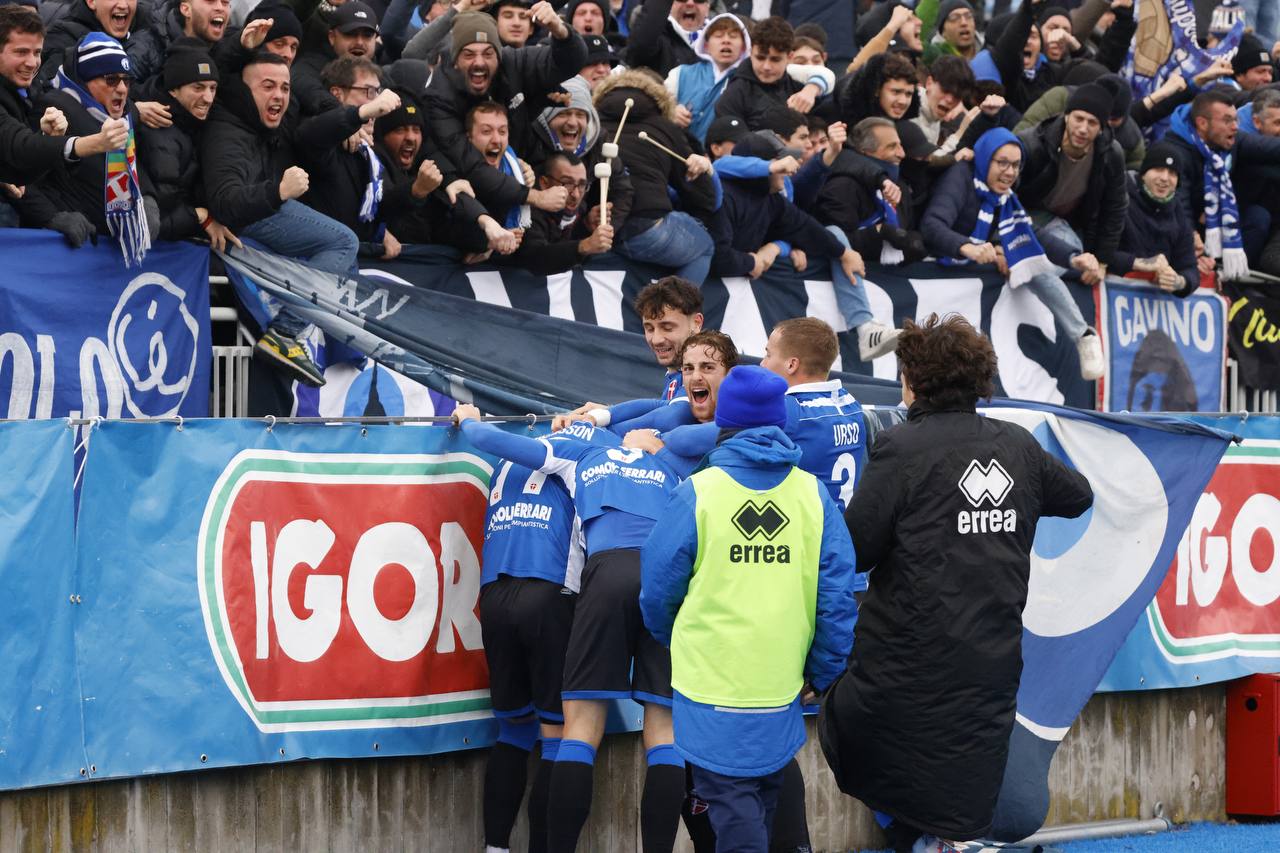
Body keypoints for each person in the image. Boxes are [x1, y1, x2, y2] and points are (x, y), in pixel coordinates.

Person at [819, 313, 1094, 853]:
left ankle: (935, 841)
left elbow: (856, 548)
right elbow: (1078, 495)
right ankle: (941, 840)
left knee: (849, 728)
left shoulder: (901, 447)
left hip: (905, 660)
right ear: (980, 380)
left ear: (912, 380)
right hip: (989, 660)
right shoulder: (1017, 446)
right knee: (950, 781)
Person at [639, 364, 857, 853]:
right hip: (781, 684)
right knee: (764, 796)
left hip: (709, 683)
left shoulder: (698, 491)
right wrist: (823, 671)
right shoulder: (812, 495)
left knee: (733, 808)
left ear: (726, 422)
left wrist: (679, 640)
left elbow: (656, 590)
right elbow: (836, 597)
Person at [451, 411, 686, 853]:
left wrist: (468, 420)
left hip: (503, 589)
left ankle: (498, 847)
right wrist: (614, 420)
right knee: (661, 731)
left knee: (541, 730)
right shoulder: (667, 460)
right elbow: (675, 412)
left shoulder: (571, 452)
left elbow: (495, 441)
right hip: (611, 582)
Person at [201, 51, 399, 385]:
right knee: (342, 242)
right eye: (268, 86)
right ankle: (286, 330)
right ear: (244, 90)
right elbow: (225, 201)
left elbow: (312, 123)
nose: (279, 95)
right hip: (250, 213)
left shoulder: (274, 117)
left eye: (284, 88)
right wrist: (278, 191)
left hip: (263, 206)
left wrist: (349, 119)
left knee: (343, 251)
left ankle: (328, 336)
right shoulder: (227, 131)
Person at [467, 425, 582, 853]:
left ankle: (495, 847)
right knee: (558, 736)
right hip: (547, 588)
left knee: (513, 731)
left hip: (495, 593)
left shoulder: (505, 457)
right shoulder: (582, 448)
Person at [921, 127, 1106, 381]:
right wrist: (967, 247)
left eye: (1016, 165)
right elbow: (931, 226)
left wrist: (1073, 258)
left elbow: (1031, 236)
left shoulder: (1006, 197)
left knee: (1029, 261)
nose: (1009, 172)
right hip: (936, 266)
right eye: (1002, 163)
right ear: (985, 159)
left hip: (972, 272)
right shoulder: (960, 176)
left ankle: (1084, 336)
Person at [710, 131, 900, 363]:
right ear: (762, 168)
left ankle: (865, 327)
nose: (789, 170)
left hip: (738, 295)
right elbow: (717, 257)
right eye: (780, 163)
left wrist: (842, 253)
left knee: (833, 234)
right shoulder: (724, 195)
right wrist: (751, 262)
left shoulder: (771, 199)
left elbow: (805, 227)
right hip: (709, 299)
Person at [422, 7, 586, 219]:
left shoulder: (512, 62)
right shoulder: (440, 97)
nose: (479, 62)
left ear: (498, 58)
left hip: (512, 180)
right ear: (455, 61)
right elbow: (472, 167)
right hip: (459, 200)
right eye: (469, 54)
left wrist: (559, 29)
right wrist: (535, 197)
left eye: (488, 54)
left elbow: (570, 63)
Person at [28, 32, 157, 264]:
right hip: (68, 251)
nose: (122, 88)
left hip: (111, 252)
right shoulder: (53, 108)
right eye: (111, 80)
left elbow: (132, 167)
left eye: (126, 80)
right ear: (86, 81)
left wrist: (147, 199)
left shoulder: (124, 116)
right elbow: (31, 174)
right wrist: (54, 217)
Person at [0, 5, 129, 227]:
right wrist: (94, 143)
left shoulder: (30, 91)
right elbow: (18, 146)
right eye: (21, 52)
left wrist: (46, 137)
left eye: (37, 53)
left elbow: (23, 169)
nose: (31, 63)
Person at [595, 68, 717, 285]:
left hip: (598, 228)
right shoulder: (665, 127)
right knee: (705, 246)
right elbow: (703, 196)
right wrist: (707, 169)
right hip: (647, 229)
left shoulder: (592, 122)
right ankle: (672, 304)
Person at [1015, 81, 1128, 284]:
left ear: (1101, 128)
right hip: (1025, 215)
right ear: (1066, 116)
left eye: (1092, 123)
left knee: (1079, 266)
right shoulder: (1033, 143)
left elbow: (1115, 208)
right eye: (1079, 119)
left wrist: (1102, 261)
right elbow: (1004, 194)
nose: (1083, 129)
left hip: (1070, 223)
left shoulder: (1111, 154)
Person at [137, 38, 238, 247]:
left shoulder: (190, 123)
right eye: (198, 87)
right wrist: (199, 216)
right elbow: (159, 221)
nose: (208, 98)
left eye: (212, 88)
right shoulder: (160, 134)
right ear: (173, 90)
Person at [817, 117, 926, 266]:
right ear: (866, 151)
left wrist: (912, 240)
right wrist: (878, 233)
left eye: (900, 145)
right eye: (892, 146)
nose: (902, 154)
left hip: (890, 275)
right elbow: (833, 241)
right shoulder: (843, 187)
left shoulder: (898, 185)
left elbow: (907, 228)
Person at [1112, 142, 1199, 297]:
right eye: (1158, 169)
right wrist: (1139, 264)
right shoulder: (1119, 195)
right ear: (1144, 173)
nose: (1165, 178)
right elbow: (1098, 251)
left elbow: (1190, 267)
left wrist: (1179, 281)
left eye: (1172, 173)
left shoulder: (1177, 212)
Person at [714, 16, 829, 130]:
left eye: (775, 59)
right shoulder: (734, 95)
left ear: (789, 57)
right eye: (760, 58)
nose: (766, 67)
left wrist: (812, 89)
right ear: (751, 53)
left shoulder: (798, 82)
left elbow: (828, 76)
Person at [662, 12, 750, 144]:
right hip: (678, 151)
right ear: (706, 45)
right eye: (718, 36)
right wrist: (670, 112)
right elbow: (656, 110)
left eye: (733, 36)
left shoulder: (749, 83)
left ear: (744, 46)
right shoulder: (680, 74)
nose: (726, 41)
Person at [38, 0, 164, 85]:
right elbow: (56, 91)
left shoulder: (153, 28)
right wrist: (133, 108)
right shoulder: (63, 37)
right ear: (91, 1)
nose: (123, 5)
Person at [625, 0, 708, 77]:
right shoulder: (658, 40)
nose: (690, 3)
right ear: (670, 5)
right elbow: (641, 46)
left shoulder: (713, 44)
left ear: (707, 7)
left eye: (699, 0)